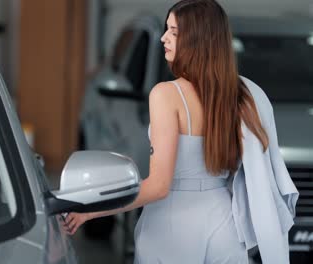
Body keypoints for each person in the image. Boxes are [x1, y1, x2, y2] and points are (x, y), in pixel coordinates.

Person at [61, 0, 298, 263]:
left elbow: (159, 187)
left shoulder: (166, 95)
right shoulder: (243, 96)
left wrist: (91, 210)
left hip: (172, 228)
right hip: (226, 226)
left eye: (173, 32)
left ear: (197, 40)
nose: (164, 38)